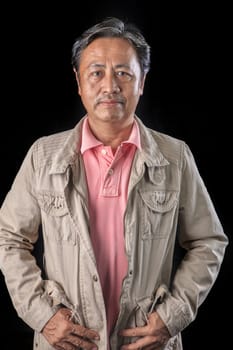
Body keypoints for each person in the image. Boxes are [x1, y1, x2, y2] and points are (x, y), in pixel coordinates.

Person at [0, 16, 228, 350]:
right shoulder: (43, 157)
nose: (110, 85)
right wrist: (43, 316)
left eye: (123, 72)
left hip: (146, 342)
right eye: (96, 72)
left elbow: (208, 240)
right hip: (69, 342)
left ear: (142, 81)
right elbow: (10, 238)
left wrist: (172, 316)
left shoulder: (174, 157)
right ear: (79, 82)